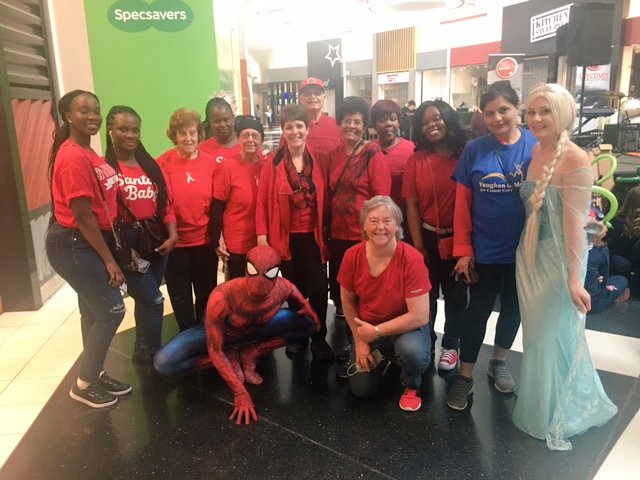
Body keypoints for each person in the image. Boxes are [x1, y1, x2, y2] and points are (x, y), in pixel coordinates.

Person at [512, 84, 618, 449]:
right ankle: (546, 401)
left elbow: (577, 227)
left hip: (558, 265)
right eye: (531, 111)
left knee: (548, 337)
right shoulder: (536, 151)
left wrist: (576, 280)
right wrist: (595, 226)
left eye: (546, 111)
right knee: (540, 338)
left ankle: (550, 412)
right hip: (528, 258)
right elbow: (583, 216)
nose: (537, 118)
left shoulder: (575, 159)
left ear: (563, 114)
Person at [447, 81, 538, 410]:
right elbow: (462, 205)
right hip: (484, 250)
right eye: (489, 113)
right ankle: (465, 376)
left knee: (514, 309)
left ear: (518, 107)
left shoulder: (536, 145)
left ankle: (499, 361)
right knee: (478, 312)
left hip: (525, 251)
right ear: (481, 116)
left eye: (504, 110)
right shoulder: (474, 150)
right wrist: (464, 250)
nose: (497, 117)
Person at [154, 246, 319, 425]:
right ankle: (232, 354)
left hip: (256, 332)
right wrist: (240, 393)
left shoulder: (282, 287)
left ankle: (250, 352)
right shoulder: (222, 297)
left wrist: (307, 307)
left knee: (309, 324)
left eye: (268, 274)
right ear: (246, 269)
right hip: (221, 335)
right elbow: (215, 349)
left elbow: (294, 291)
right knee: (164, 363)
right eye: (255, 272)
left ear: (276, 273)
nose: (259, 285)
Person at [45, 90, 130, 408]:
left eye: (96, 110)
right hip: (74, 244)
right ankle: (83, 385)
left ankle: (94, 372)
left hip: (87, 242)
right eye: (84, 111)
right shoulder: (72, 156)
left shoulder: (87, 152)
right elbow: (81, 215)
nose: (93, 116)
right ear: (68, 115)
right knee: (112, 310)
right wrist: (110, 261)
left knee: (92, 311)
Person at [338, 196, 431, 411]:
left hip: (406, 326)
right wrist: (360, 342)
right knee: (361, 390)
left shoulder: (412, 259)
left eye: (387, 221)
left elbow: (419, 316)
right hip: (369, 327)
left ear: (397, 225)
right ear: (364, 226)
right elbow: (348, 302)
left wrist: (377, 331)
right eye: (374, 221)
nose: (381, 227)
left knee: (412, 353)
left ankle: (411, 383)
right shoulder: (351, 256)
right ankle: (389, 356)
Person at [255, 104, 333, 360]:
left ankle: (318, 336)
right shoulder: (273, 162)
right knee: (294, 290)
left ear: (307, 129)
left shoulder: (319, 159)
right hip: (284, 238)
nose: (295, 131)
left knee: (320, 288)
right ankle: (298, 336)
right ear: (283, 130)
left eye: (300, 126)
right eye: (289, 126)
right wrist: (261, 235)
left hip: (312, 237)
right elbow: (262, 201)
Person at [104, 105, 178, 367]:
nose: (130, 135)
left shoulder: (151, 165)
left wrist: (172, 234)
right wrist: (117, 252)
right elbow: (104, 215)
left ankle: (142, 349)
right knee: (154, 300)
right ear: (110, 130)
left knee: (146, 298)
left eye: (135, 129)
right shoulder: (106, 169)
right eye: (123, 129)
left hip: (156, 241)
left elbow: (166, 203)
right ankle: (157, 355)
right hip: (127, 246)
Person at [402, 100, 468, 371]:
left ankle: (451, 345)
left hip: (460, 238)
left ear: (448, 119)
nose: (432, 124)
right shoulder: (416, 160)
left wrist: (467, 247)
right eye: (425, 121)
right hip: (427, 237)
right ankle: (426, 341)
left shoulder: (465, 154)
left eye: (437, 118)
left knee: (456, 296)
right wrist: (418, 246)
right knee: (426, 296)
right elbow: (412, 205)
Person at [327, 96, 391, 332]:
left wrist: (376, 232)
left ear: (364, 127)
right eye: (346, 121)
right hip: (336, 233)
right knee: (341, 287)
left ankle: (366, 340)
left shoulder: (373, 153)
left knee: (364, 288)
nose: (351, 126)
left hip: (362, 234)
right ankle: (346, 338)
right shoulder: (334, 155)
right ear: (339, 124)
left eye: (357, 122)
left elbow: (382, 197)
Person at [157, 108, 217, 331]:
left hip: (204, 241)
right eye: (182, 133)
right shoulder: (162, 163)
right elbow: (162, 203)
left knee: (206, 291)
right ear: (174, 135)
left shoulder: (211, 163)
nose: (188, 138)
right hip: (176, 242)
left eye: (192, 133)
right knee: (180, 293)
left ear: (199, 134)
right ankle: (186, 333)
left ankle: (203, 333)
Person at [210, 117, 265, 279]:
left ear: (261, 140)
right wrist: (217, 237)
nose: (250, 140)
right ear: (238, 139)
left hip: (260, 240)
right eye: (245, 135)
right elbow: (217, 206)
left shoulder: (266, 166)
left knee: (259, 285)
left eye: (255, 136)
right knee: (239, 288)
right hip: (237, 241)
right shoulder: (227, 167)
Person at [371, 99, 414, 213]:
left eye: (393, 119)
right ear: (374, 125)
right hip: (376, 216)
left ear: (399, 122)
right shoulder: (368, 150)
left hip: (405, 216)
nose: (388, 124)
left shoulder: (411, 150)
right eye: (382, 120)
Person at [584, 210, 630, 313]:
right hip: (593, 303)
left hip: (570, 296)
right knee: (622, 280)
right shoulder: (601, 249)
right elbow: (604, 275)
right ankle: (613, 295)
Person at [297, 77, 342, 166]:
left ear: (324, 97)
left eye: (317, 93)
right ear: (300, 98)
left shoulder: (336, 125)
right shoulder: (293, 128)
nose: (312, 97)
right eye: (307, 94)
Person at [606, 186, 640, 294]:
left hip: (626, 270)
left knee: (615, 260)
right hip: (634, 268)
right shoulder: (618, 222)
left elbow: (610, 250)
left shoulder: (617, 222)